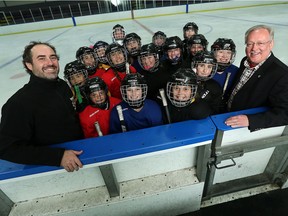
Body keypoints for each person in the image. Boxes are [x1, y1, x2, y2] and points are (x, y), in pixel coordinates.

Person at [0, 41, 84, 172]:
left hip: (81, 152)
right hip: (57, 167)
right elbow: (7, 148)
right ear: (29, 65)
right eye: (41, 58)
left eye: (53, 57)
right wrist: (57, 157)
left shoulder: (61, 85)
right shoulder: (18, 104)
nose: (50, 63)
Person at [225, 25, 288, 131]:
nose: (254, 48)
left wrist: (251, 120)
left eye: (260, 43)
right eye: (250, 44)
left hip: (245, 129)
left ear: (271, 44)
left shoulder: (282, 74)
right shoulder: (245, 61)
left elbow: (285, 114)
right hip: (229, 116)